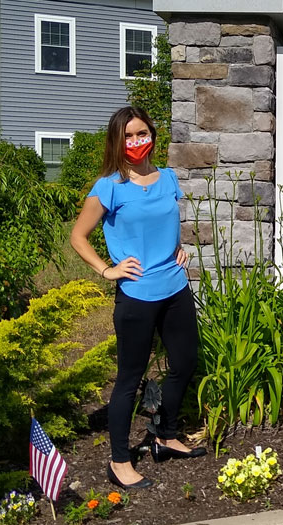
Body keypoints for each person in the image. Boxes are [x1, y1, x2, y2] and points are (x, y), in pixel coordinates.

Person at [70, 106, 203, 491]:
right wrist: (106, 269)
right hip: (136, 295)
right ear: (117, 141)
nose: (136, 142)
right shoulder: (109, 186)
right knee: (130, 378)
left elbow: (165, 223)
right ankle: (119, 460)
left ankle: (164, 434)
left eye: (142, 133)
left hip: (174, 286)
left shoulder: (168, 179)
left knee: (185, 361)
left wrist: (179, 248)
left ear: (152, 136)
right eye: (128, 136)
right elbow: (78, 236)